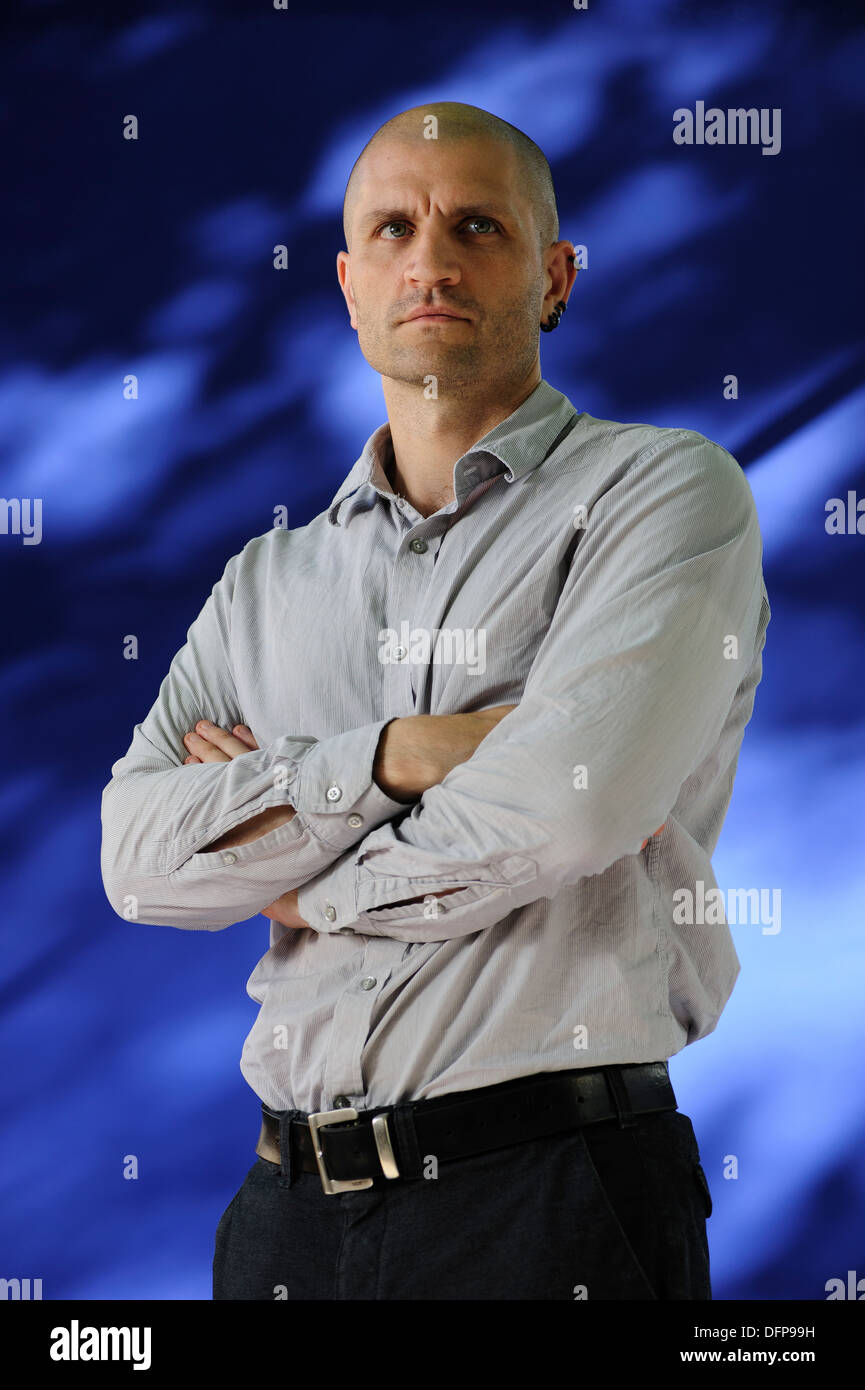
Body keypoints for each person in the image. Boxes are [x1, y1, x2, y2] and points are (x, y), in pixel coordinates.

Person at [100, 101, 770, 1300]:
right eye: (394, 228)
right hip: (284, 1217)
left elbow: (569, 814)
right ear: (350, 287)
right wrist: (401, 754)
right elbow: (138, 863)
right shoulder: (265, 580)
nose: (431, 257)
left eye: (476, 225)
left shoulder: (662, 495)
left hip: (551, 1202)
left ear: (555, 277)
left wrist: (296, 874)